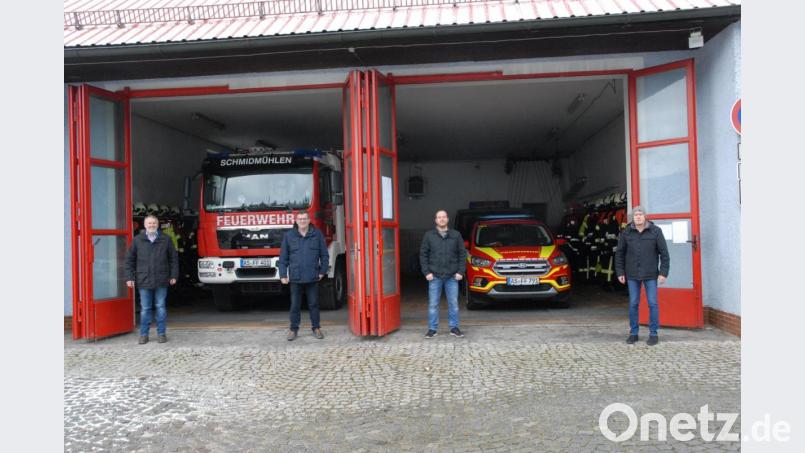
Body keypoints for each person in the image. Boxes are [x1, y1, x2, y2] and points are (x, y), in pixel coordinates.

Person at [614, 206, 670, 346]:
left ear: (645, 216)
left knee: (652, 303)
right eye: (635, 215)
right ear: (633, 217)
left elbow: (664, 254)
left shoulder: (655, 231)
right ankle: (633, 333)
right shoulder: (626, 232)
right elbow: (619, 254)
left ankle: (653, 333)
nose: (638, 217)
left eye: (640, 214)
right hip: (632, 274)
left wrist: (663, 272)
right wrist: (620, 272)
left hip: (651, 274)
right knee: (633, 303)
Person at [125, 215, 179, 344]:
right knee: (145, 308)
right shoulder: (137, 240)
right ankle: (144, 335)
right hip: (144, 279)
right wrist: (129, 277)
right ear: (145, 225)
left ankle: (161, 334)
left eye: (154, 223)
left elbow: (173, 259)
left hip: (162, 278)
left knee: (160, 306)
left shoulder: (166, 239)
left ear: (157, 225)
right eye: (149, 223)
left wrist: (173, 275)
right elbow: (129, 260)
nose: (151, 225)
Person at [279, 211, 329, 341]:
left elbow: (324, 255)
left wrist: (322, 271)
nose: (302, 221)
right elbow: (283, 258)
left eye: (304, 219)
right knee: (295, 305)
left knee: (314, 304)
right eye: (300, 219)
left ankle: (316, 328)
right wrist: (283, 274)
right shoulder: (289, 236)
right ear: (296, 221)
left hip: (313, 276)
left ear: (309, 220)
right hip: (295, 277)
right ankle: (293, 329)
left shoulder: (317, 234)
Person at [419, 210, 467, 339]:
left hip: (452, 276)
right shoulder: (429, 236)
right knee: (433, 304)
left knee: (454, 303)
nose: (441, 219)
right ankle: (432, 329)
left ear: (447, 219)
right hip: (434, 276)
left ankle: (454, 328)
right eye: (439, 217)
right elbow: (423, 254)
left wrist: (460, 272)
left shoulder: (456, 235)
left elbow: (463, 254)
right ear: (435, 220)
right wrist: (426, 272)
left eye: (444, 217)